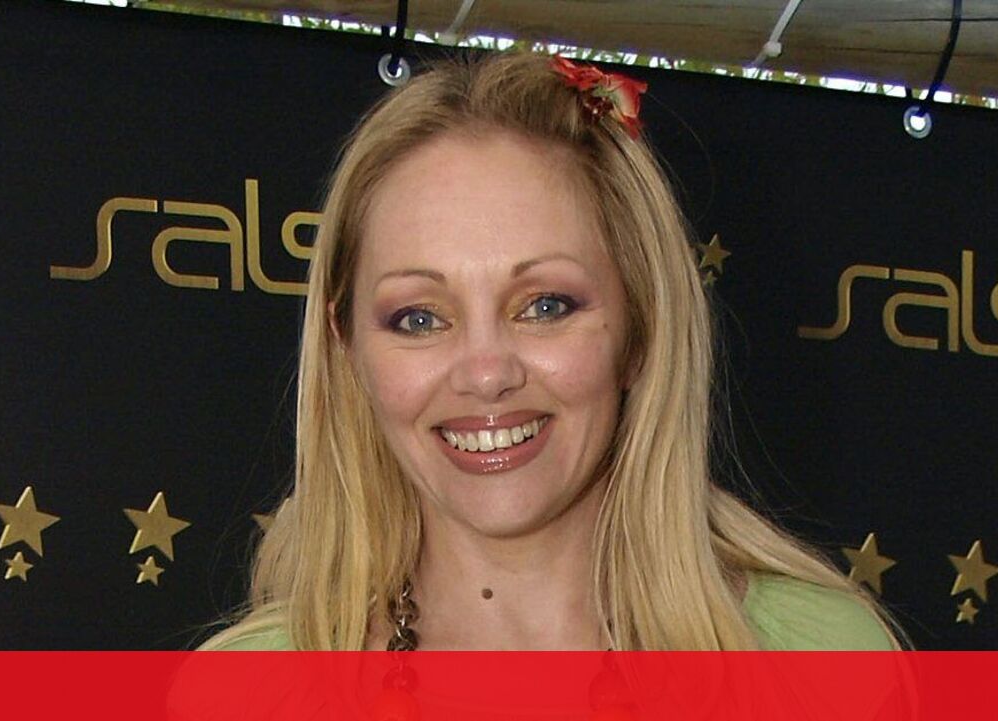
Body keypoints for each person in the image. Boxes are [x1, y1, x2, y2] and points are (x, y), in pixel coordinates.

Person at [203, 50, 900, 652]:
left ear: (641, 326)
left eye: (545, 306)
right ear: (347, 348)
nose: (486, 372)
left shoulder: (825, 658)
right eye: (419, 318)